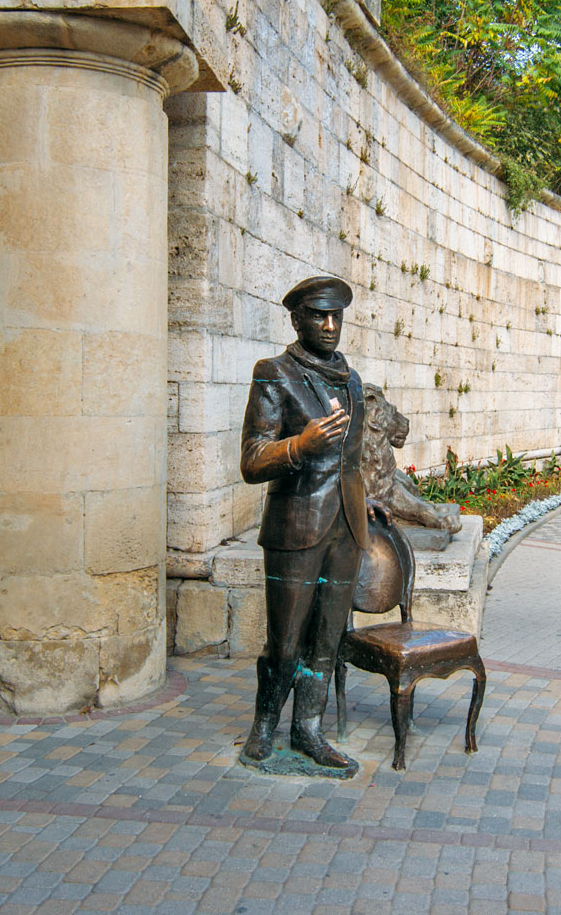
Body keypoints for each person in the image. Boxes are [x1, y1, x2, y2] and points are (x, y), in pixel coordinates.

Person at [238, 276, 383, 772]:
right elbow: (252, 460)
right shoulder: (273, 374)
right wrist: (301, 445)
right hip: (295, 530)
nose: (329, 325)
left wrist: (365, 499)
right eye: (318, 316)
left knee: (326, 640)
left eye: (335, 316)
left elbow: (352, 460)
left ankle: (308, 729)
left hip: (346, 528)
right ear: (296, 320)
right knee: (285, 641)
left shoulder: (353, 380)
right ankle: (264, 727)